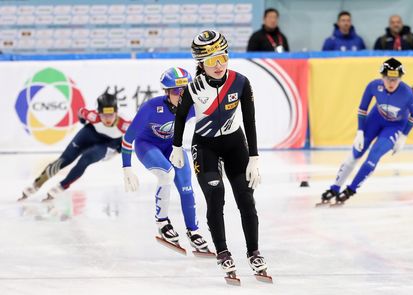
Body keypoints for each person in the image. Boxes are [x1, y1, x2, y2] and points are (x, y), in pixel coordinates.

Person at [171, 30, 269, 281]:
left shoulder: (241, 82)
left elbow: (250, 120)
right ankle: (223, 252)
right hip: (205, 147)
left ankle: (253, 252)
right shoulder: (193, 88)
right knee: (216, 197)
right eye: (211, 61)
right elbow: (181, 116)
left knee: (246, 199)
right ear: (200, 64)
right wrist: (176, 146)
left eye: (223, 58)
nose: (218, 65)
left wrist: (254, 157)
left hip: (235, 144)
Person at [121, 67, 211, 254]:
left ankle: (193, 232)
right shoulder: (151, 108)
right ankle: (162, 222)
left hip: (172, 146)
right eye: (177, 91)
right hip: (147, 146)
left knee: (187, 186)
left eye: (185, 90)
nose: (182, 95)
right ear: (167, 92)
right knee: (166, 175)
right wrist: (127, 167)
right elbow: (128, 138)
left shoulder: (192, 107)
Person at [318, 58, 413, 206]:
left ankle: (350, 190)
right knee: (354, 154)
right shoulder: (373, 86)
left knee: (373, 156)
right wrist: (360, 131)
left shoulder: (408, 93)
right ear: (382, 77)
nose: (391, 83)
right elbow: (362, 109)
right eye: (388, 79)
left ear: (400, 78)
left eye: (395, 80)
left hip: (394, 127)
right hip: (375, 119)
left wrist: (403, 136)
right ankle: (334, 188)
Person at [19, 90, 129, 202]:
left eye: (111, 115)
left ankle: (61, 186)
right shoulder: (92, 116)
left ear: (116, 112)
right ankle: (36, 184)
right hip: (90, 134)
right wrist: (82, 120)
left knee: (85, 159)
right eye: (103, 115)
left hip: (107, 144)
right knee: (64, 160)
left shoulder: (124, 125)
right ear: (98, 113)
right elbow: (81, 112)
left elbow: (137, 134)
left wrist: (119, 149)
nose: (108, 119)